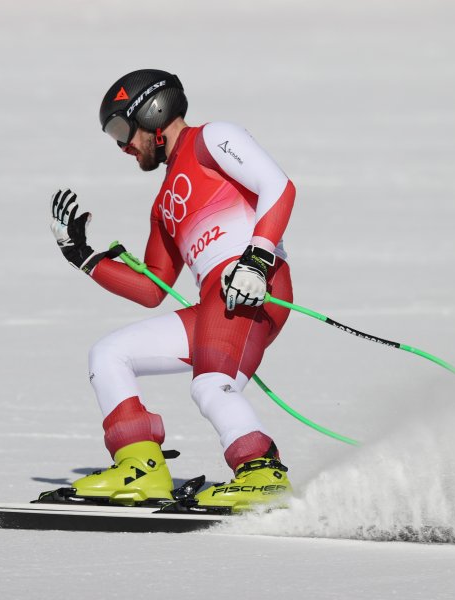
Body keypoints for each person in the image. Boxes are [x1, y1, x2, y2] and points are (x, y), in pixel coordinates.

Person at [49, 69, 296, 512]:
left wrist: (256, 259)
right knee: (109, 354)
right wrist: (83, 257)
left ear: (153, 110)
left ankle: (261, 471)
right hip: (216, 303)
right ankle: (140, 466)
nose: (123, 146)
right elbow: (151, 288)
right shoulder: (164, 203)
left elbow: (278, 186)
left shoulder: (212, 138)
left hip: (253, 285)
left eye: (123, 130)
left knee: (211, 384)